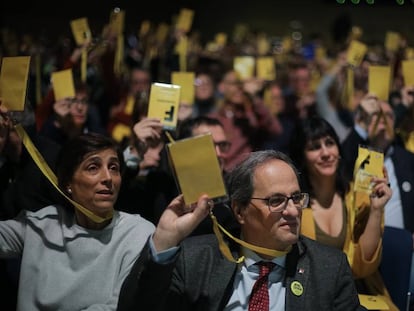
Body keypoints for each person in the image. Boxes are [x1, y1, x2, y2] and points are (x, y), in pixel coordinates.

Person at [117, 150, 365, 310]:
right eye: (276, 201)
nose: (292, 211)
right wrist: (164, 242)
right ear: (239, 211)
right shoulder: (195, 260)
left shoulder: (328, 267)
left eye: (296, 197)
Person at [0, 132, 155, 310]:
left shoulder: (138, 233)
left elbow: (121, 306)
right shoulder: (41, 224)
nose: (108, 178)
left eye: (114, 167)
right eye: (93, 167)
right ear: (68, 183)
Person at [288, 116, 396, 310]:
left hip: (358, 293)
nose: (325, 153)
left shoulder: (358, 196)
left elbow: (364, 267)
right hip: (310, 297)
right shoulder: (294, 205)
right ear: (301, 157)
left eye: (330, 143)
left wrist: (377, 209)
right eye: (314, 147)